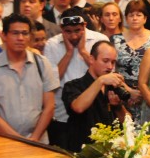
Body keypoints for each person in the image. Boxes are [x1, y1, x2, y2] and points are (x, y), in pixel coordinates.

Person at [0, 14, 59, 143]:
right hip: (3, 141)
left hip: (39, 141)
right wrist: (20, 141)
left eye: (25, 33)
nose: (20, 38)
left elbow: (49, 106)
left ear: (30, 36)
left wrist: (34, 138)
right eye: (15, 33)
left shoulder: (42, 63)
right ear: (4, 36)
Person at [44, 8, 109, 149]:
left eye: (77, 30)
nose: (73, 36)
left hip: (95, 111)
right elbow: (52, 81)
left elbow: (105, 74)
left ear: (85, 25)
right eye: (68, 31)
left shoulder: (100, 40)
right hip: (62, 114)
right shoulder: (51, 44)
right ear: (61, 28)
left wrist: (83, 52)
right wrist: (68, 53)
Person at [62, 41, 130, 152]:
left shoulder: (112, 87)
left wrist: (118, 107)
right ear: (92, 59)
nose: (110, 67)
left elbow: (128, 123)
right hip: (83, 152)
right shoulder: (73, 86)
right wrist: (100, 80)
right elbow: (78, 107)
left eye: (113, 62)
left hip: (110, 153)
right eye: (105, 61)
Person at [111, 0, 150, 120]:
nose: (134, 18)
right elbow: (110, 69)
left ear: (145, 18)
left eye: (139, 15)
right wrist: (127, 90)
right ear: (126, 18)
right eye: (131, 15)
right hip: (122, 94)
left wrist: (142, 92)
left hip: (149, 96)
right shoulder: (115, 39)